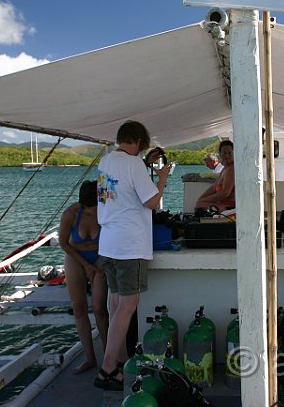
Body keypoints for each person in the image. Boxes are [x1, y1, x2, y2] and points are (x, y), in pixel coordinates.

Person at [94, 120, 171, 390]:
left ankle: (120, 360)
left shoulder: (106, 162)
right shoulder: (134, 164)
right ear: (139, 142)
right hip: (129, 245)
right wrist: (162, 178)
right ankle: (106, 369)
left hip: (108, 244)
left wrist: (145, 167)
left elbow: (122, 193)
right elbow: (151, 202)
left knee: (116, 303)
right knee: (127, 306)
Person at [58, 180, 108, 375]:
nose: (92, 215)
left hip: (101, 257)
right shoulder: (70, 215)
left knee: (99, 308)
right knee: (79, 308)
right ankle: (89, 358)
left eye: (95, 210)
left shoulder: (106, 211)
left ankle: (108, 358)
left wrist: (98, 264)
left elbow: (115, 238)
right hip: (76, 257)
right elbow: (64, 243)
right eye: (88, 212)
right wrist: (86, 265)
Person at [194, 140, 235, 211]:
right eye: (224, 153)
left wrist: (202, 201)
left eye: (230, 153)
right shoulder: (225, 168)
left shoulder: (231, 169)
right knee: (200, 203)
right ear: (220, 154)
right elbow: (214, 186)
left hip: (230, 206)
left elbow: (225, 193)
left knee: (200, 205)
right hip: (222, 204)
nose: (227, 155)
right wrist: (201, 199)